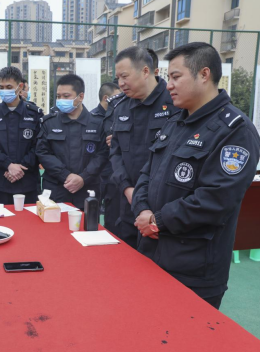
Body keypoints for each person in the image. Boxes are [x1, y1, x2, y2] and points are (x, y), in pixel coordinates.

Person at [132, 42, 260, 309]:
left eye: (176, 77)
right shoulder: (175, 122)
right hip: (151, 254)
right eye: (168, 78)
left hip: (193, 269)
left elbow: (216, 200)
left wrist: (157, 221)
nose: (168, 85)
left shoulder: (235, 130)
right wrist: (142, 210)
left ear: (204, 74)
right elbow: (147, 174)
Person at [109, 46, 180, 248]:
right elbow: (115, 152)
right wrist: (127, 188)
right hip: (128, 202)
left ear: (146, 71)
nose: (120, 83)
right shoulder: (121, 107)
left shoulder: (175, 103)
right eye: (118, 78)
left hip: (159, 208)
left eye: (125, 76)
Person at [36, 74, 109, 209]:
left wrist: (83, 178)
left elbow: (103, 154)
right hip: (56, 189)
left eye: (66, 96)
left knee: (86, 228)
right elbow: (43, 153)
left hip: (87, 190)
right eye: (58, 96)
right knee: (53, 228)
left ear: (80, 97)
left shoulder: (98, 123)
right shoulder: (49, 123)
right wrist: (66, 175)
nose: (61, 100)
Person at [0, 66, 43, 205]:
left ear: (20, 86)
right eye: (1, 87)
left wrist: (19, 167)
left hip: (28, 181)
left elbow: (39, 146)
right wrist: (8, 165)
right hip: (1, 181)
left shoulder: (34, 114)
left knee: (29, 224)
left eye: (9, 86)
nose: (4, 91)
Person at [90, 82, 121, 231]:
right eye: (117, 96)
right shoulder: (93, 118)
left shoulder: (118, 116)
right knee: (92, 211)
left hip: (112, 172)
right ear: (106, 98)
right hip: (96, 173)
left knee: (111, 212)